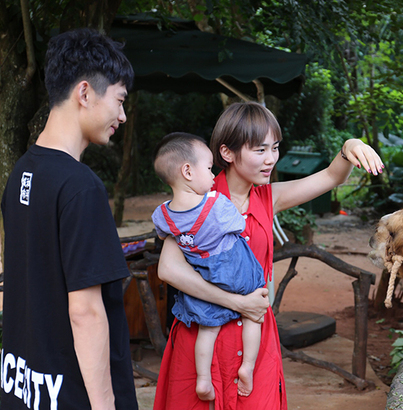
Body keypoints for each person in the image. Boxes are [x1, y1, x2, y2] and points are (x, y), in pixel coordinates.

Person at [153, 101, 384, 409]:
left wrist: (349, 146)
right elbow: (168, 270)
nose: (271, 159)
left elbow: (330, 177)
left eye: (274, 148)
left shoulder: (268, 197)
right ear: (227, 153)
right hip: (203, 337)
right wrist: (237, 302)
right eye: (260, 150)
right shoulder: (198, 199)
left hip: (254, 340)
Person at [0, 28, 138, 410]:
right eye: (119, 100)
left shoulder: (22, 173)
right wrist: (105, 404)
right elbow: (86, 312)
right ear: (84, 93)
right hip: (73, 396)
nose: (123, 116)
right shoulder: (81, 188)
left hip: (24, 388)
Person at [151, 132, 266, 401]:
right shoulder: (215, 203)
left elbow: (162, 235)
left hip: (203, 274)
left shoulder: (163, 214)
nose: (214, 175)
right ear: (188, 171)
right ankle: (247, 367)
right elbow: (238, 226)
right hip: (235, 270)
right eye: (209, 168)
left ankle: (203, 379)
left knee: (208, 326)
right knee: (253, 313)